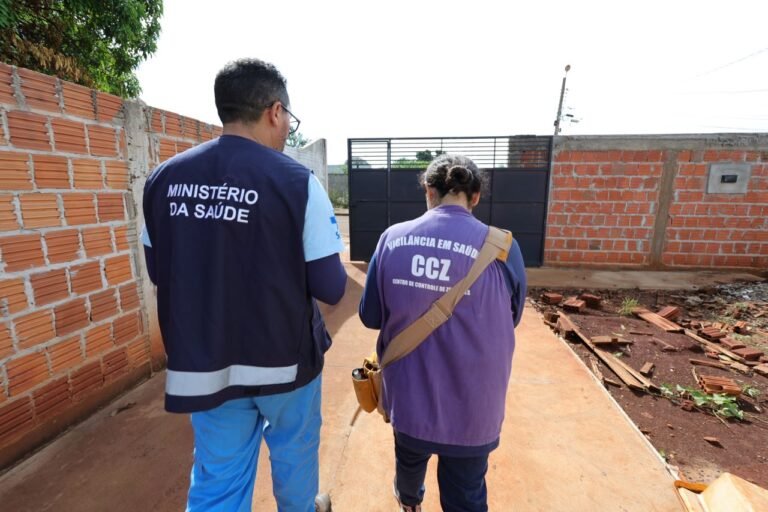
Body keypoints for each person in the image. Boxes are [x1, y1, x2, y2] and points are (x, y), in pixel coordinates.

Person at [141, 58, 346, 512]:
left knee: (218, 482)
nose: (287, 128)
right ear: (275, 112)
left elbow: (160, 270)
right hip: (285, 365)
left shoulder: (163, 180)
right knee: (294, 462)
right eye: (289, 118)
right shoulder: (297, 183)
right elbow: (331, 286)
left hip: (205, 363)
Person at [358, 154, 527, 512]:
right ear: (476, 196)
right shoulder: (504, 250)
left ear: (428, 191)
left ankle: (409, 502)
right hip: (474, 407)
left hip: (409, 397)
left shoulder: (392, 239)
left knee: (409, 464)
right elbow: (510, 317)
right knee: (465, 492)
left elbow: (370, 315)